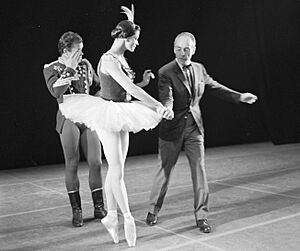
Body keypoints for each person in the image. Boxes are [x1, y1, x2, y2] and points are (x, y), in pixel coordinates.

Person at [58, 5, 173, 247]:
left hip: (122, 112)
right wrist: (158, 106)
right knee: (117, 170)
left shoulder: (121, 56)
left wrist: (131, 21)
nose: (137, 45)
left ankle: (111, 216)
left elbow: (129, 89)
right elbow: (131, 89)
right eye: (135, 40)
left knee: (116, 169)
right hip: (107, 114)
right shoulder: (107, 60)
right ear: (125, 38)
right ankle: (127, 218)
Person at [145, 32, 258, 233]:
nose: (182, 53)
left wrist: (239, 97)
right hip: (172, 128)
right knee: (165, 170)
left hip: (194, 129)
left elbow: (214, 86)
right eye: (178, 49)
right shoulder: (165, 71)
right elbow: (167, 97)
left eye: (186, 49)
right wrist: (168, 108)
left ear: (194, 49)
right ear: (173, 49)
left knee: (199, 171)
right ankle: (153, 210)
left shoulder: (199, 69)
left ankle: (201, 216)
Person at [43, 31, 107, 227]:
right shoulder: (51, 68)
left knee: (96, 162)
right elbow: (56, 92)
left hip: (87, 116)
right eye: (77, 50)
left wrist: (103, 94)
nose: (81, 53)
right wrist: (69, 69)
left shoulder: (86, 64)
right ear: (65, 50)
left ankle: (98, 206)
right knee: (72, 163)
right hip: (69, 117)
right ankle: (77, 210)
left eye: (82, 49)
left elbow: (97, 86)